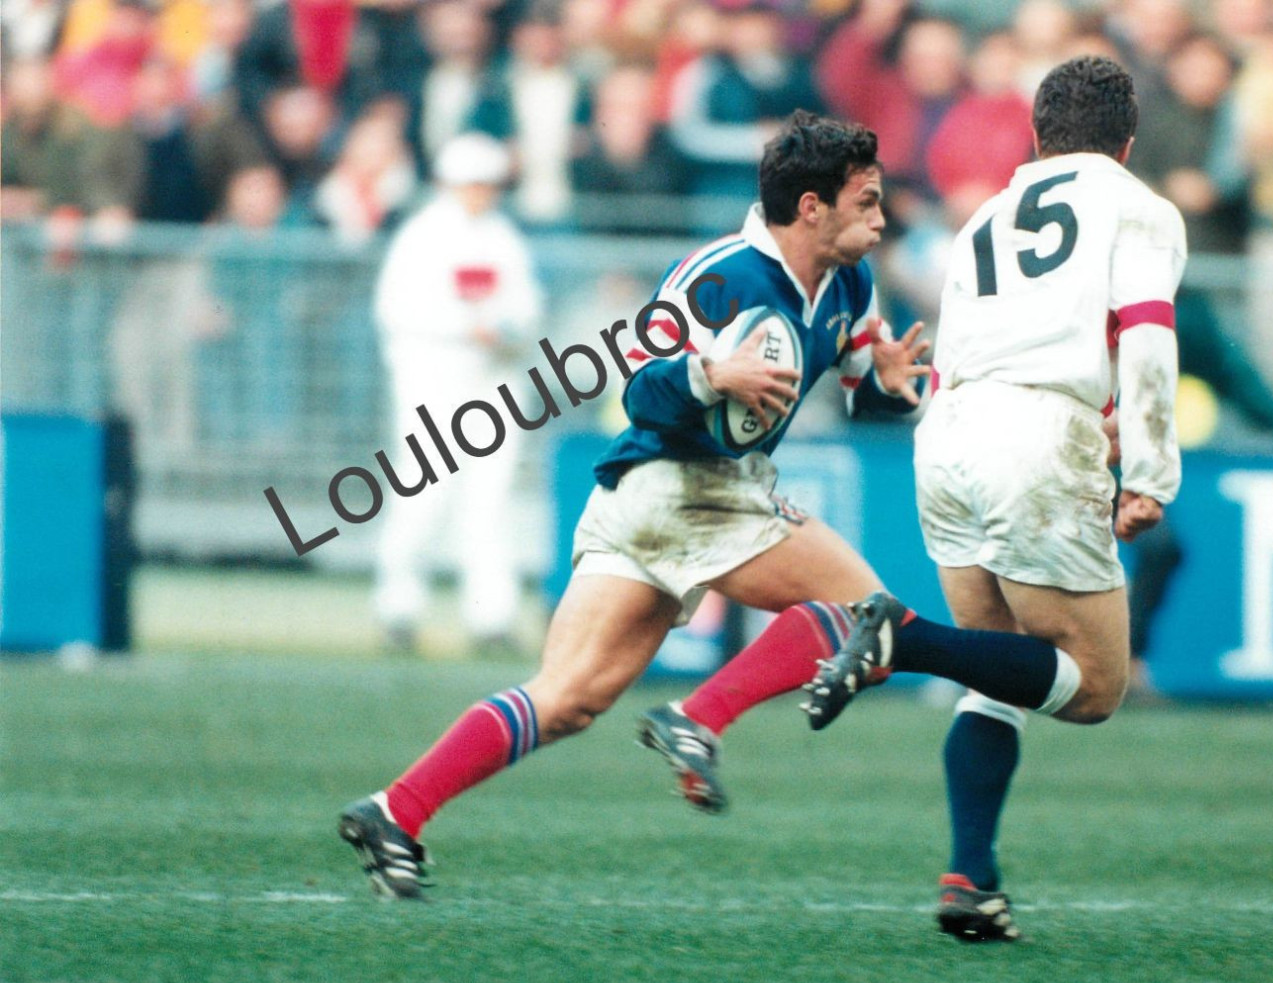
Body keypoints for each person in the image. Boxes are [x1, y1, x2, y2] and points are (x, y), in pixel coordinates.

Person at [339, 111, 1104, 903]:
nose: (883, 219)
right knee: (870, 616)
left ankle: (396, 810)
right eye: (868, 201)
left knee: (568, 697)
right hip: (679, 486)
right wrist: (712, 374)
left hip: (657, 501)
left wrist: (884, 383)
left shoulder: (847, 282)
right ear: (812, 208)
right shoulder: (721, 276)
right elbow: (637, 386)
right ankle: (699, 717)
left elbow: (854, 385)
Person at [804, 57, 1187, 943]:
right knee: (1094, 687)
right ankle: (902, 637)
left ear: (1038, 136)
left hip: (948, 430)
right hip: (1036, 437)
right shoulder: (1136, 206)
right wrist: (1150, 472)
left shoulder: (986, 214)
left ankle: (970, 875)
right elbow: (1148, 339)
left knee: (999, 667)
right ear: (1125, 141)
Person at [370, 132, 542, 654]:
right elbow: (397, 311)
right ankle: (398, 608)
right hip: (434, 381)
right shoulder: (420, 238)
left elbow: (528, 303)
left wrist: (504, 328)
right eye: (471, 183)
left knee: (490, 500)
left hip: (495, 382)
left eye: (488, 184)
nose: (480, 193)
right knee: (423, 494)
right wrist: (468, 328)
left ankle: (492, 615)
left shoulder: (504, 238)